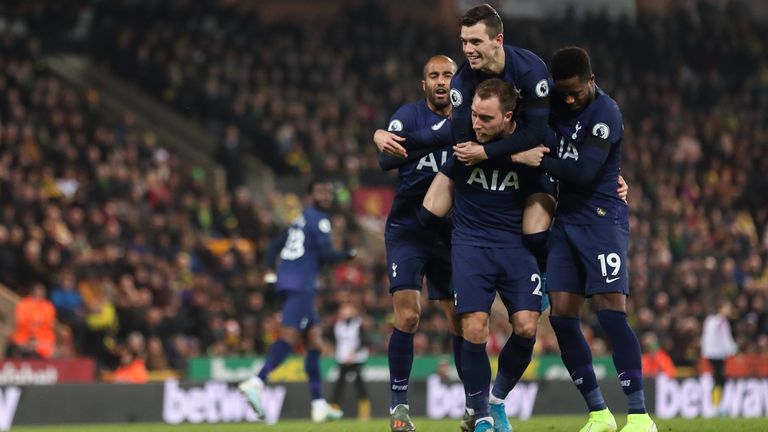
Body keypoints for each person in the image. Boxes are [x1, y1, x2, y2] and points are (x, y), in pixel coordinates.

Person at [514, 47, 657, 432]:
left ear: (591, 81)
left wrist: (538, 160)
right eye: (564, 93)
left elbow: (583, 173)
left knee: (611, 313)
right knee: (561, 316)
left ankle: (640, 414)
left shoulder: (605, 113)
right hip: (565, 221)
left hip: (602, 220)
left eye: (577, 91)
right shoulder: (556, 104)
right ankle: (598, 412)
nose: (571, 99)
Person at [423, 78, 552, 432]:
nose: (475, 123)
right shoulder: (463, 141)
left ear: (509, 117)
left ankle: (496, 401)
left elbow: (558, 175)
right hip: (471, 247)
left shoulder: (531, 144)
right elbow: (430, 201)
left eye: (485, 118)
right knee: (474, 329)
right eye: (474, 115)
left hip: (515, 247)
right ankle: (479, 415)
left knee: (527, 327)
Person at [373, 55, 469, 432]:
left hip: (450, 232)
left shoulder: (468, 113)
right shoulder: (409, 115)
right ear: (423, 84)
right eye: (434, 75)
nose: (442, 81)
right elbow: (385, 161)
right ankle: (399, 409)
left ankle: (474, 406)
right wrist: (388, 137)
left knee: (462, 322)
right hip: (408, 230)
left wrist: (414, 145)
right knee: (408, 316)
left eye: (448, 74)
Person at [238, 179, 356, 423]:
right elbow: (327, 255)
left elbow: (273, 247)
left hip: (290, 281)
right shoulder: (320, 220)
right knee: (289, 338)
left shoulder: (299, 219)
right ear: (310, 195)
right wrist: (348, 254)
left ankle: (318, 404)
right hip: (302, 285)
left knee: (314, 341)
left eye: (328, 192)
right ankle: (257, 382)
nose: (326, 196)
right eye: (320, 192)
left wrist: (271, 275)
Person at [330, 302, 371, 420]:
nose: (345, 313)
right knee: (339, 386)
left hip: (357, 359)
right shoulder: (338, 326)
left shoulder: (359, 324)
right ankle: (334, 411)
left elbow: (365, 341)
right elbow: (334, 341)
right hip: (343, 359)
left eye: (348, 310)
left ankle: (364, 413)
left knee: (360, 385)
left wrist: (353, 354)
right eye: (343, 310)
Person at [701, 299, 737, 414]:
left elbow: (705, 337)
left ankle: (716, 406)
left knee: (717, 379)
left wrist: (704, 351)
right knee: (720, 380)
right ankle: (716, 407)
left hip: (709, 354)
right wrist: (735, 350)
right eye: (727, 307)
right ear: (721, 308)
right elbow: (726, 338)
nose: (729, 310)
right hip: (718, 354)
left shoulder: (709, 320)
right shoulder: (722, 321)